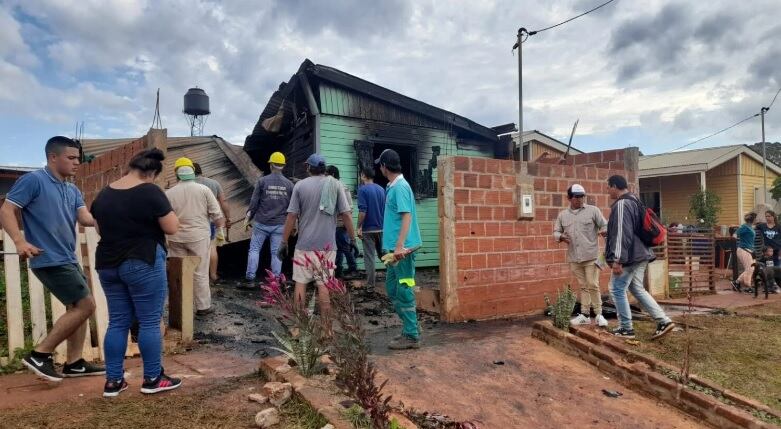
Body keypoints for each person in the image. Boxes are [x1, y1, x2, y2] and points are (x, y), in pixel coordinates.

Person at [0, 136, 105, 382]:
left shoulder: (72, 189)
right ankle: (40, 354)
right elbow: (6, 209)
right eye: (70, 158)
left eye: (77, 158)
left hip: (68, 257)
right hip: (49, 258)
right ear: (52, 157)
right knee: (86, 305)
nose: (76, 163)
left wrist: (111, 218)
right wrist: (19, 241)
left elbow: (86, 219)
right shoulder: (34, 180)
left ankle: (75, 363)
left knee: (77, 307)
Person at [91, 149, 182, 397]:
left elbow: (100, 230)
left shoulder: (103, 195)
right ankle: (153, 378)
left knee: (118, 321)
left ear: (129, 168)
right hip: (142, 261)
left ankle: (113, 382)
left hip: (108, 264)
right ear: (151, 173)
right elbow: (172, 227)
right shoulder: (150, 191)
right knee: (149, 320)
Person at [278, 154, 354, 319]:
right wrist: (353, 239)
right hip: (327, 246)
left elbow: (291, 216)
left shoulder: (300, 186)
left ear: (308, 168)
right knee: (325, 285)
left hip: (304, 245)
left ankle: (299, 327)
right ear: (324, 169)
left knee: (301, 283)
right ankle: (327, 329)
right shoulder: (335, 185)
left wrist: (283, 241)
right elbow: (346, 214)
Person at [605, 175, 674, 340]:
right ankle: (663, 321)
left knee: (616, 289)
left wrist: (618, 260)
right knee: (636, 288)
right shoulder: (634, 200)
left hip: (630, 256)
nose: (607, 191)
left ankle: (626, 328)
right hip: (641, 253)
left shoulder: (622, 204)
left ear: (614, 186)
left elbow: (623, 233)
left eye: (608, 187)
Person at [166, 157, 225, 316]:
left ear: (176, 173)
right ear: (192, 171)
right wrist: (220, 230)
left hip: (175, 238)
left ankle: (179, 308)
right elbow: (216, 213)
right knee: (200, 271)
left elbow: (164, 217)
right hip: (198, 237)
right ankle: (203, 306)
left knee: (178, 273)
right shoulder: (204, 190)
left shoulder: (169, 193)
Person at [377, 149, 423, 350]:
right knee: (393, 289)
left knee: (403, 289)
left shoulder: (400, 188)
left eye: (380, 164)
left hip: (402, 252)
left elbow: (406, 216)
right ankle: (410, 328)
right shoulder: (392, 186)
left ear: (385, 167)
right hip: (395, 252)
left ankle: (411, 335)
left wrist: (399, 246)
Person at [553, 184, 608, 327]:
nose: (580, 199)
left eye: (582, 196)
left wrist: (604, 231)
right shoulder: (563, 215)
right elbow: (556, 231)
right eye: (577, 196)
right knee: (583, 285)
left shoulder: (593, 211)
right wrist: (560, 237)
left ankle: (599, 314)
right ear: (569, 198)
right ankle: (584, 315)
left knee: (592, 284)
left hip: (592, 255)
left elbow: (605, 225)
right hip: (574, 257)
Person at [245, 152, 293, 282]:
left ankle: (250, 278)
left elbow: (254, 203)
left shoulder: (262, 181)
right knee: (276, 253)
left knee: (254, 250)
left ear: (271, 165)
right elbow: (292, 208)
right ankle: (276, 280)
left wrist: (247, 219)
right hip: (280, 224)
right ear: (283, 166)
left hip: (261, 223)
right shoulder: (289, 185)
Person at [193, 162, 230, 283]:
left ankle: (195, 276)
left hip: (194, 222)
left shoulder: (187, 184)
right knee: (212, 248)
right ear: (201, 171)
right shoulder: (214, 183)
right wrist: (228, 218)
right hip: (211, 221)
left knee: (194, 248)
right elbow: (223, 201)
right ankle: (213, 276)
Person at [326, 165, 358, 279]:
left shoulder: (339, 187)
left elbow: (345, 208)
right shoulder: (342, 186)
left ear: (333, 175)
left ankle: (353, 269)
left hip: (340, 222)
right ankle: (339, 270)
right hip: (341, 222)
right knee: (339, 248)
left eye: (327, 174)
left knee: (344, 247)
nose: (325, 177)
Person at [357, 167, 385, 291]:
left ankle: (370, 285)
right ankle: (394, 277)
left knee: (369, 257)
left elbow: (363, 211)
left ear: (363, 175)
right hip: (382, 228)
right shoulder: (381, 189)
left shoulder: (362, 190)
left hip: (368, 229)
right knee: (383, 255)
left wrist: (358, 226)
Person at [733, 212, 757, 292]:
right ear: (753, 219)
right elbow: (736, 233)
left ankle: (736, 283)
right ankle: (748, 286)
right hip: (744, 249)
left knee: (752, 268)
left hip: (750, 250)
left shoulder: (750, 227)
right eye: (755, 218)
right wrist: (735, 235)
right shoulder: (745, 227)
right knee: (749, 269)